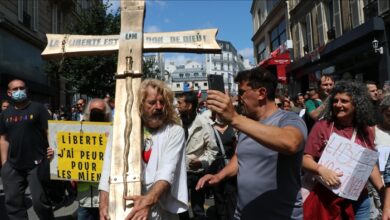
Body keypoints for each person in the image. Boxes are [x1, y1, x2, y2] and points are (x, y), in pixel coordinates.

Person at [198, 67, 307, 219]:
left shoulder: (289, 119)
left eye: (242, 92)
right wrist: (220, 175)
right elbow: (240, 158)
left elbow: (291, 143)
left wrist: (235, 118)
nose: (238, 97)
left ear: (261, 93)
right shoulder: (247, 124)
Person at [98, 79, 188, 220]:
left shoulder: (174, 131)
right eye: (152, 103)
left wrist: (146, 202)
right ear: (139, 105)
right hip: (124, 206)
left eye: (162, 102)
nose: (158, 107)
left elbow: (167, 171)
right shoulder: (120, 130)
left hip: (159, 209)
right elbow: (107, 168)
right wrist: (103, 203)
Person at [302, 81, 384, 219]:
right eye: (335, 101)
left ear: (356, 104)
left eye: (344, 101)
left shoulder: (366, 130)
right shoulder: (322, 127)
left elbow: (369, 165)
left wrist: (383, 192)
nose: (338, 105)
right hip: (328, 200)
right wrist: (322, 170)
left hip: (359, 200)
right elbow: (304, 159)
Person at [0, 79, 54, 220]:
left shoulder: (38, 108)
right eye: (15, 89)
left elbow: (50, 131)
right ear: (9, 93)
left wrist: (53, 149)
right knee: (13, 205)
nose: (19, 91)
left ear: (26, 89)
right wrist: (4, 164)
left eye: (21, 88)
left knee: (40, 203)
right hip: (13, 166)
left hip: (37, 164)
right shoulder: (5, 114)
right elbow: (3, 139)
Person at [176, 91, 218, 220]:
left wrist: (202, 162)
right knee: (180, 208)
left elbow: (212, 150)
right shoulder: (174, 122)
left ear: (189, 106)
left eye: (180, 103)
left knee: (198, 209)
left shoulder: (204, 124)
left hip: (196, 175)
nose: (177, 106)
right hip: (178, 174)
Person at [77, 98, 112, 220]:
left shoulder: (114, 131)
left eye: (100, 111)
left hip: (107, 198)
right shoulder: (78, 131)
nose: (96, 113)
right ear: (87, 113)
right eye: (93, 111)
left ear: (106, 114)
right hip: (84, 198)